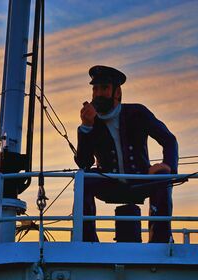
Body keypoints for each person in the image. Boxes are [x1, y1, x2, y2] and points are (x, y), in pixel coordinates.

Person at [75, 65, 178, 243]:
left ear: (117, 92)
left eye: (104, 88)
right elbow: (84, 163)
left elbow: (169, 140)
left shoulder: (137, 113)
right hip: (109, 181)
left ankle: (160, 238)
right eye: (95, 89)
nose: (98, 94)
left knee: (161, 175)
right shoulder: (92, 123)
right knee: (83, 178)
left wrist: (168, 167)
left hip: (140, 179)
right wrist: (86, 127)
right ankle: (86, 240)